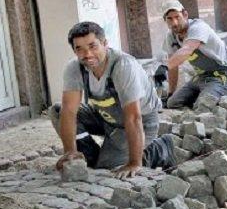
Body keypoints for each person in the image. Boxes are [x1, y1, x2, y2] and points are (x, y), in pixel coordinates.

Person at [51, 21, 176, 178]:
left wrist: (134, 163)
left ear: (104, 43)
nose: (87, 54)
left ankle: (158, 149)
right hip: (105, 116)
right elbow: (69, 111)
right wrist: (70, 151)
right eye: (79, 49)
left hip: (139, 122)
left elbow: (133, 117)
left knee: (110, 168)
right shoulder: (75, 68)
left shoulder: (123, 66)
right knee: (58, 111)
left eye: (92, 46)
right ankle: (87, 156)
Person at [161, 0, 227, 110]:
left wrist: (163, 67)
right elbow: (173, 67)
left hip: (223, 75)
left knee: (203, 106)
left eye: (177, 17)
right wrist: (170, 93)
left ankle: (220, 92)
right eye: (170, 19)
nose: (174, 23)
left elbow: (187, 49)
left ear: (185, 15)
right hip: (201, 77)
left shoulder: (198, 27)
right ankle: (206, 92)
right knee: (172, 103)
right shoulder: (171, 36)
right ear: (165, 20)